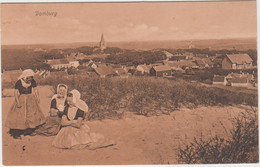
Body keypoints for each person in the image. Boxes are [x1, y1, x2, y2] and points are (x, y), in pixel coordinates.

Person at [5, 69, 45, 139]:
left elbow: (35, 90)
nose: (31, 79)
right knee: (20, 116)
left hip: (31, 98)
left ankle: (29, 130)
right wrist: (17, 102)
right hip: (22, 99)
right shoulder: (19, 82)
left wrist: (37, 97)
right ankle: (18, 132)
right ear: (25, 76)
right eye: (29, 77)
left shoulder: (32, 81)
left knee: (31, 114)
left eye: (31, 77)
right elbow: (16, 93)